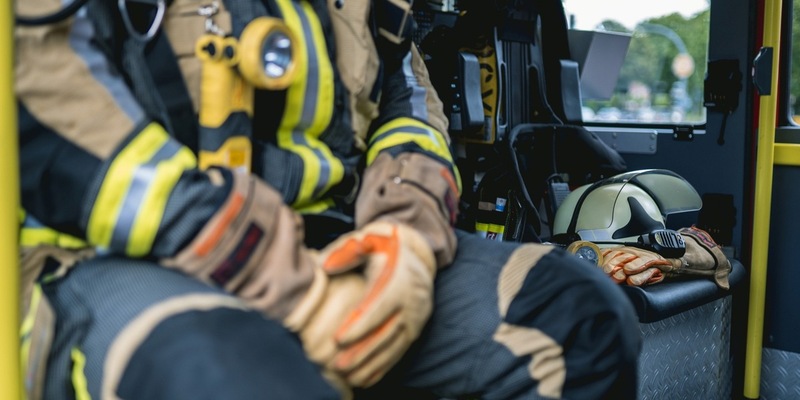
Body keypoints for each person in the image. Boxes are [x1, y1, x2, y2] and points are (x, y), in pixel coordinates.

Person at [14, 0, 642, 399]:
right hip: (107, 257)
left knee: (579, 317)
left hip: (335, 236)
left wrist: (407, 243)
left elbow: (408, 103)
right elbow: (39, 98)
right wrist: (284, 279)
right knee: (235, 375)